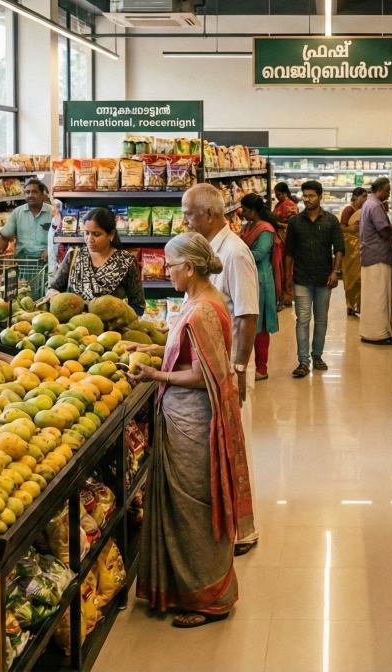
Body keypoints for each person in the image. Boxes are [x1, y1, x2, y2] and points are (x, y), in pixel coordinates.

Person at [129, 232, 253, 629]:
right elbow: (190, 348)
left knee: (195, 508)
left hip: (194, 423)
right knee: (189, 505)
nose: (167, 272)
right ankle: (189, 588)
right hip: (186, 418)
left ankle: (209, 599)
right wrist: (157, 349)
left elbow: (203, 375)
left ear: (191, 267)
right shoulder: (201, 301)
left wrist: (155, 373)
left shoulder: (202, 310)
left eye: (172, 265)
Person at [181, 183, 261, 555]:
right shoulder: (208, 251)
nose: (184, 220)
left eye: (190, 213)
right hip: (212, 365)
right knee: (220, 446)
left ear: (210, 214)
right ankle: (226, 523)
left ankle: (243, 530)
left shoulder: (235, 253)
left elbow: (247, 314)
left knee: (231, 448)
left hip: (226, 366)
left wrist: (239, 366)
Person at [284, 180, 344, 378]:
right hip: (301, 278)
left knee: (321, 320)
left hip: (324, 279)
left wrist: (336, 272)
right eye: (305, 196)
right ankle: (303, 362)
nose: (307, 199)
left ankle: (317, 355)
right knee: (302, 320)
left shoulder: (331, 221)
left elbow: (340, 249)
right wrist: (287, 276)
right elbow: (289, 252)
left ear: (320, 196)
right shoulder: (295, 222)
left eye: (311, 196)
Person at [47, 207, 145, 315]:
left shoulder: (125, 261)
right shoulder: (74, 256)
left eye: (96, 234)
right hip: (73, 327)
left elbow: (138, 305)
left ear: (111, 234)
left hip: (112, 329)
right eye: (87, 233)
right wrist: (53, 295)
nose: (89, 239)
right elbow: (54, 287)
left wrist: (122, 317)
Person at [237, 194, 283, 381]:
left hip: (261, 282)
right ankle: (247, 366)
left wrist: (237, 255)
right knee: (248, 323)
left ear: (253, 210)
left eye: (245, 210)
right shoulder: (248, 226)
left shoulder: (266, 230)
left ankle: (261, 368)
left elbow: (260, 253)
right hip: (248, 278)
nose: (242, 213)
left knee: (260, 324)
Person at [358, 177, 392, 345]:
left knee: (372, 297)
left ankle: (370, 331)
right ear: (380, 189)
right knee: (379, 297)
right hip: (378, 258)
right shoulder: (375, 206)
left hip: (371, 256)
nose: (389, 193)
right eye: (388, 190)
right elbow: (384, 232)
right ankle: (378, 335)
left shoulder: (370, 203)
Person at [0, 178, 54, 264]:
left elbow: (61, 238)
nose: (30, 195)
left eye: (34, 192)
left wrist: (50, 248)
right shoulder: (17, 212)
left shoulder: (53, 212)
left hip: (46, 261)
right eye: (27, 192)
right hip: (24, 261)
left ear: (43, 195)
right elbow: (5, 236)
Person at [338, 187, 367, 316]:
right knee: (350, 277)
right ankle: (350, 305)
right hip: (350, 248)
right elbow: (341, 228)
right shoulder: (348, 210)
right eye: (363, 196)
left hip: (361, 247)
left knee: (361, 278)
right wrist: (352, 228)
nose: (366, 199)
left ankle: (360, 305)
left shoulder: (365, 210)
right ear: (355, 197)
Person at [272, 182, 298, 306]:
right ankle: (282, 295)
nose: (277, 197)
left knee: (286, 267)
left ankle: (287, 297)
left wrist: (278, 225)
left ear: (285, 193)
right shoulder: (280, 204)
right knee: (281, 267)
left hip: (286, 239)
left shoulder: (290, 205)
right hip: (280, 238)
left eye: (279, 194)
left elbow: (293, 226)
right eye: (276, 194)